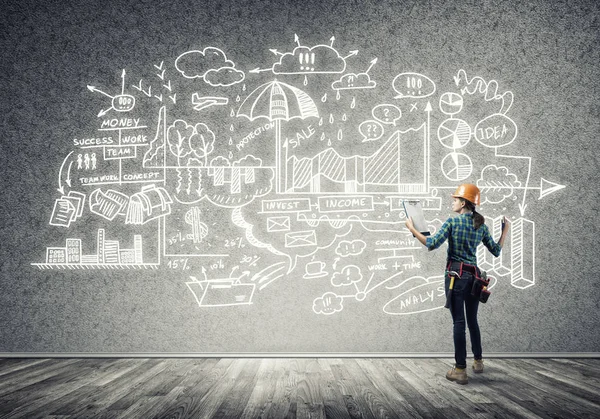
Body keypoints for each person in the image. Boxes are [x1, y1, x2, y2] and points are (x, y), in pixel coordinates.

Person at [405, 183, 510, 385]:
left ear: (463, 203)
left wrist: (412, 229)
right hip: (475, 278)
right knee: (472, 320)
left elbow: (431, 243)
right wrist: (505, 230)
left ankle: (460, 369)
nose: (452, 203)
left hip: (456, 276)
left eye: (455, 200)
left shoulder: (452, 222)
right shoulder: (481, 226)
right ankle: (478, 361)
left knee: (458, 322)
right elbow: (496, 251)